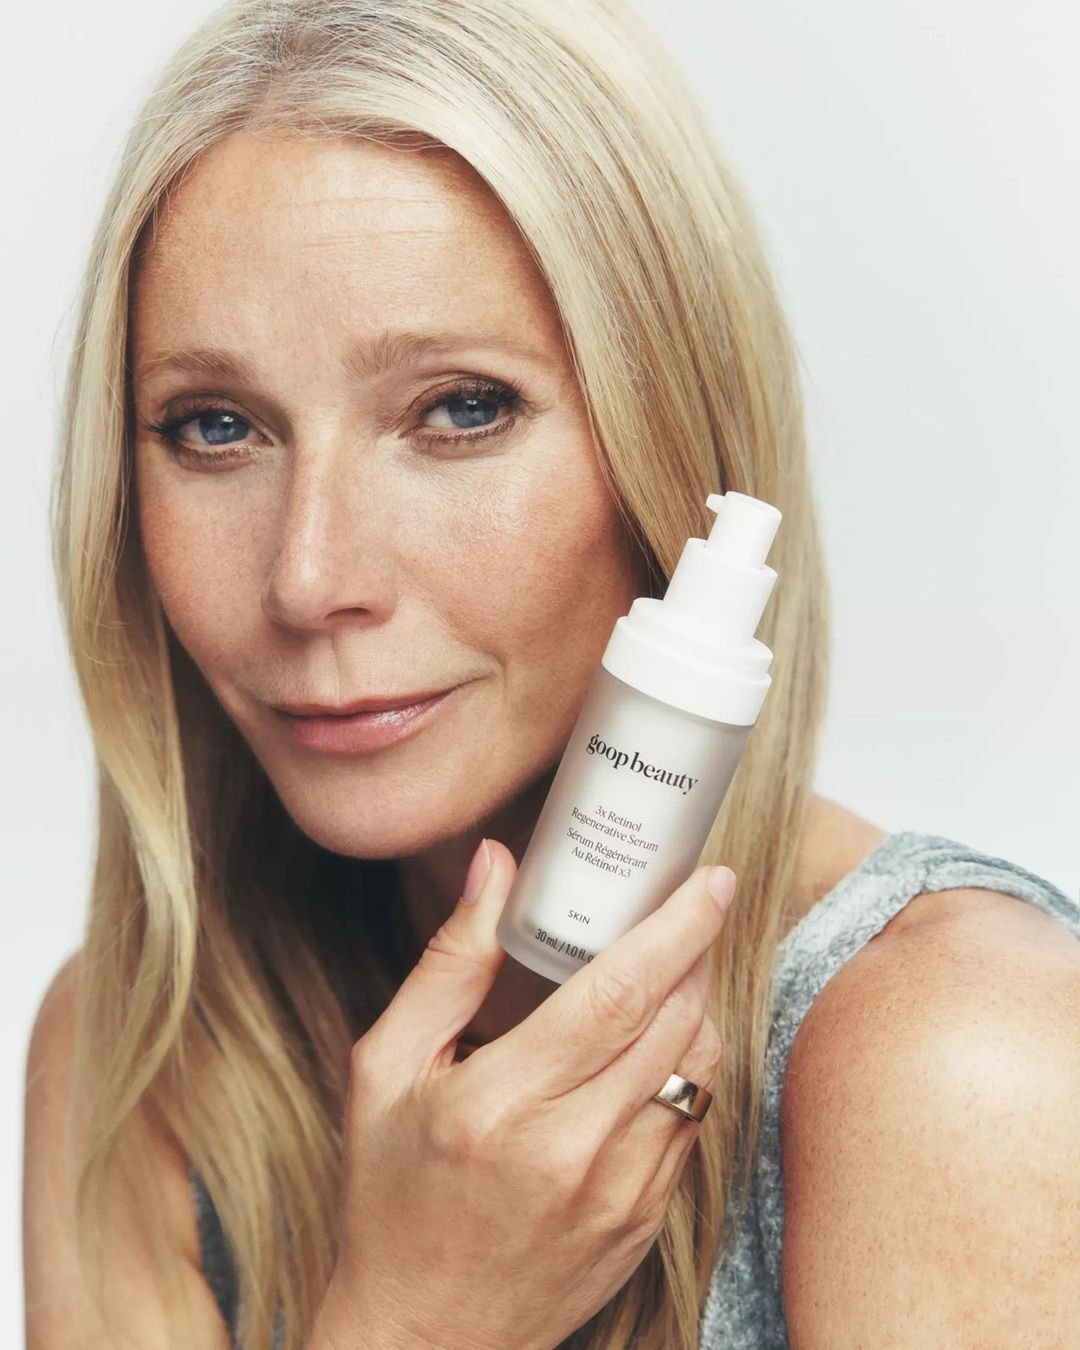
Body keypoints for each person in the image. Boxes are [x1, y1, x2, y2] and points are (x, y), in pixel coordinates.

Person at [22, 1, 1079, 1347]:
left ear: (670, 445)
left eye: (460, 409)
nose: (307, 575)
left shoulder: (962, 1055)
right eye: (215, 426)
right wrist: (413, 1317)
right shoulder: (143, 1057)